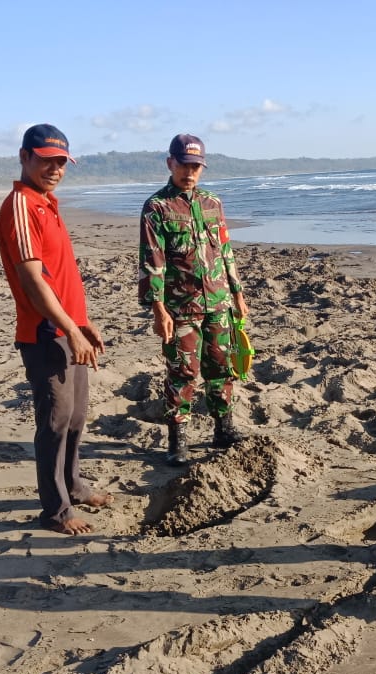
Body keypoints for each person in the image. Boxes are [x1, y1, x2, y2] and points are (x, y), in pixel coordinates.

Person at [0, 124, 111, 535]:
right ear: (25, 157)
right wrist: (69, 330)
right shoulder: (22, 206)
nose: (54, 168)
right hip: (45, 333)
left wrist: (84, 323)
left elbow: (61, 277)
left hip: (68, 328)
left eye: (61, 161)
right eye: (46, 159)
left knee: (76, 416)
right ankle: (56, 511)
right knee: (55, 422)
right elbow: (33, 281)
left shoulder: (47, 203)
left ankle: (75, 486)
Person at [138, 133, 249, 465]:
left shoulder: (212, 203)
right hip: (180, 306)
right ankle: (178, 439)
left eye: (196, 167)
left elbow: (226, 251)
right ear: (170, 163)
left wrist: (237, 292)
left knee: (221, 368)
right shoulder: (157, 207)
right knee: (183, 372)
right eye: (184, 165)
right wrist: (158, 309)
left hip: (219, 303)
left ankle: (223, 427)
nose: (190, 173)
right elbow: (151, 261)